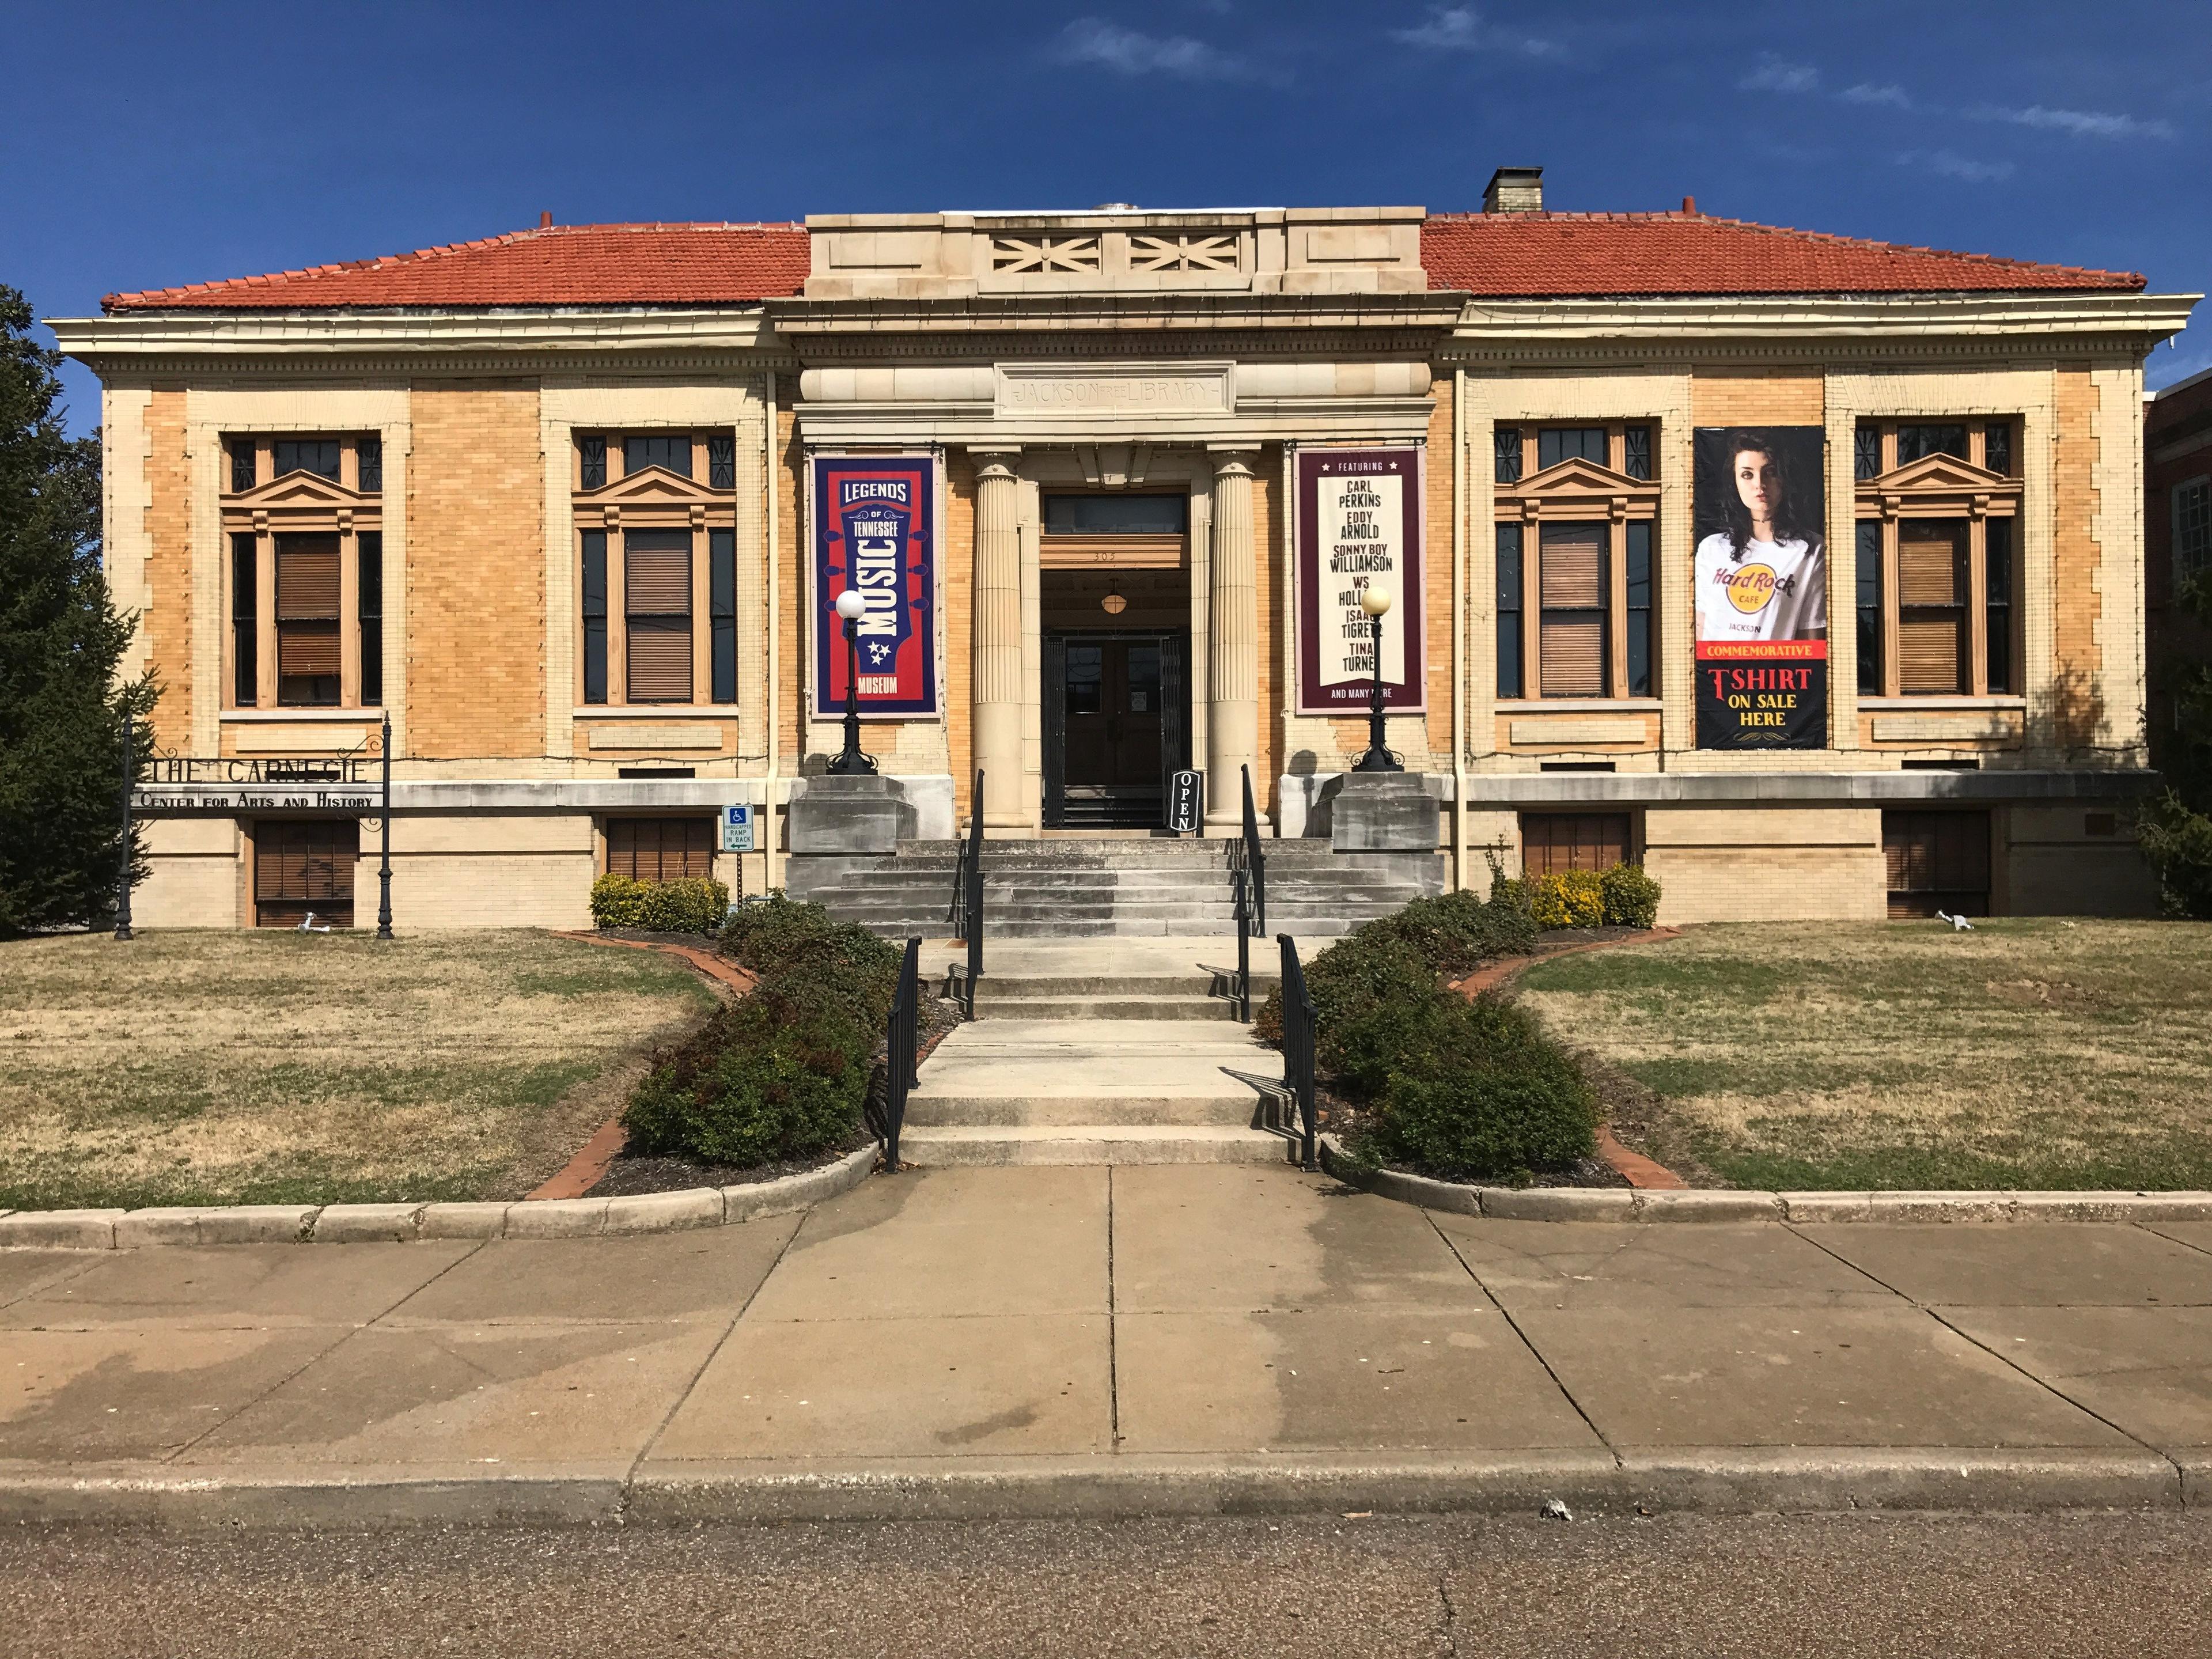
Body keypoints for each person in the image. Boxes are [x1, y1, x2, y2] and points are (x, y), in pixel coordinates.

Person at [1695, 432, 1826, 643]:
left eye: (1770, 472)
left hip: (1776, 674)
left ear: (1784, 478)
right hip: (1716, 673)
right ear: (1734, 481)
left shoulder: (1809, 550)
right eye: (1747, 475)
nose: (1760, 484)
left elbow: (1810, 638)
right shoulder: (1711, 549)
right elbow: (1700, 628)